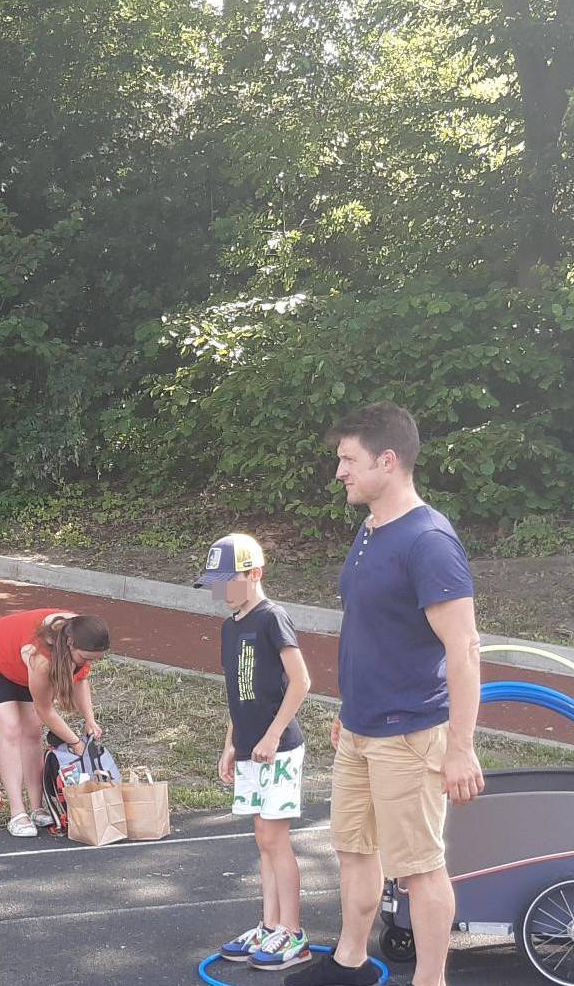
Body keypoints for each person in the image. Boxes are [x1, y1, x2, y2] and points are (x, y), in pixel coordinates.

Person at [290, 402, 486, 986]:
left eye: (349, 460)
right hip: (360, 729)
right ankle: (351, 961)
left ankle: (430, 980)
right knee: (354, 851)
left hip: (409, 734)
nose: (340, 472)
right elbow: (372, 628)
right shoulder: (373, 529)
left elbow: (464, 648)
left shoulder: (428, 540)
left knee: (420, 871)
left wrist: (461, 746)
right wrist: (351, 713)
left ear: (389, 460)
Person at [198, 534, 314, 970]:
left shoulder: (272, 618)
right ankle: (269, 925)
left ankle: (293, 933)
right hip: (249, 748)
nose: (222, 590)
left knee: (275, 838)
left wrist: (270, 736)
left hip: (279, 749)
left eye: (230, 580)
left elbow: (301, 682)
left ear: (254, 574)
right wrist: (232, 743)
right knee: (262, 841)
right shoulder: (230, 626)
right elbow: (238, 692)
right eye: (217, 582)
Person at [0, 608, 111, 838]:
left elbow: (81, 678)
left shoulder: (82, 633)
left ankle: (37, 808)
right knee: (12, 727)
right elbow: (45, 710)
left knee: (33, 731)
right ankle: (17, 813)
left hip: (22, 668)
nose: (87, 663)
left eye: (94, 659)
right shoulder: (41, 656)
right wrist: (75, 743)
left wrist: (90, 720)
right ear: (70, 643)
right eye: (85, 658)